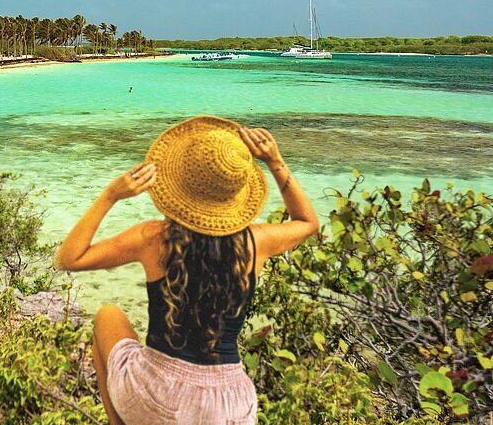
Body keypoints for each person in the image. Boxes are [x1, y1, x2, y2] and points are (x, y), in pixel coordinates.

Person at [55, 115, 318, 424]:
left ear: (179, 183)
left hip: (154, 398)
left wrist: (110, 195)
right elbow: (308, 222)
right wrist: (275, 161)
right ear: (235, 193)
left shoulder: (154, 238)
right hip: (228, 409)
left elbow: (69, 259)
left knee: (108, 316)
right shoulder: (256, 242)